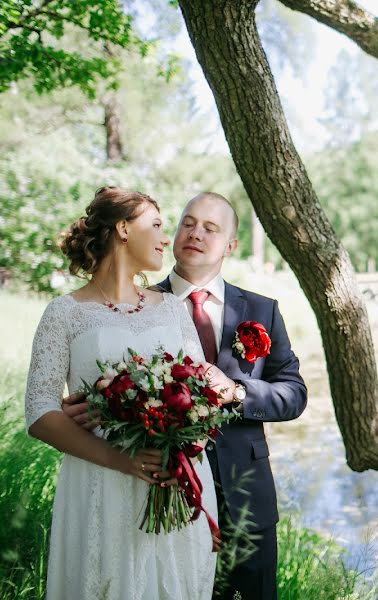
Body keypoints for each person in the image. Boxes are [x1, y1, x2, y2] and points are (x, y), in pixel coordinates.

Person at [66, 191, 308, 599]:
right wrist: (103, 404)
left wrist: (235, 391)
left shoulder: (262, 310)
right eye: (188, 223)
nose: (195, 233)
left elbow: (294, 393)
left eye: (211, 228)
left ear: (230, 245)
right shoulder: (137, 309)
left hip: (246, 497)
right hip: (162, 499)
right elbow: (117, 380)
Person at [25, 186, 218, 600]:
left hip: (174, 480)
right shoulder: (65, 313)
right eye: (157, 225)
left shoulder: (170, 308)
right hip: (101, 482)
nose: (166, 238)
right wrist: (125, 459)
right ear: (124, 229)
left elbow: (204, 391)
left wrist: (188, 438)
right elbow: (40, 413)